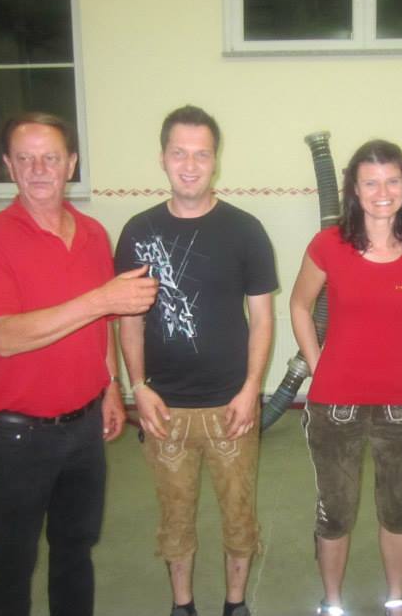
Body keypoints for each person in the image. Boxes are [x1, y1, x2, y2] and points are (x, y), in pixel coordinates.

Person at [0, 112, 159, 616]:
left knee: (75, 550)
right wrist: (101, 298)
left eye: (50, 158)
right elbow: (5, 337)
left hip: (83, 428)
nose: (38, 169)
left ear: (70, 164)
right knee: (12, 558)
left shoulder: (93, 233)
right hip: (13, 435)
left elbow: (103, 325)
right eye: (25, 158)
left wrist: (110, 386)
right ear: (9, 166)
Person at [115, 105, 277, 616]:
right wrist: (138, 387)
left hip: (232, 406)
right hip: (165, 409)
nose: (190, 165)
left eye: (201, 154)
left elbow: (263, 318)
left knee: (239, 518)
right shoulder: (137, 231)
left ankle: (235, 604)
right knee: (175, 521)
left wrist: (251, 388)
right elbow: (129, 320)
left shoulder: (245, 230)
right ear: (163, 158)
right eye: (179, 153)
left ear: (215, 160)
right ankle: (182, 605)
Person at [290, 139, 402, 616]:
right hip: (335, 406)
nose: (382, 192)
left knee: (397, 509)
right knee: (335, 513)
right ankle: (332, 602)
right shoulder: (329, 245)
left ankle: (395, 598)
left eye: (392, 181)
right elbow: (299, 305)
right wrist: (318, 365)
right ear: (354, 190)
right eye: (370, 182)